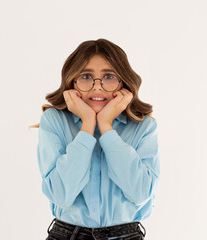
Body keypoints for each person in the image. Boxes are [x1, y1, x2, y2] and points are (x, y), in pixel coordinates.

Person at [29, 38, 160, 239]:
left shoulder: (143, 127)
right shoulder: (54, 121)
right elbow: (61, 194)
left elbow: (140, 192)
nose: (97, 87)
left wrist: (106, 127)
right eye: (86, 76)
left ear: (123, 81)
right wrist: (88, 124)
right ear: (72, 81)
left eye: (108, 76)